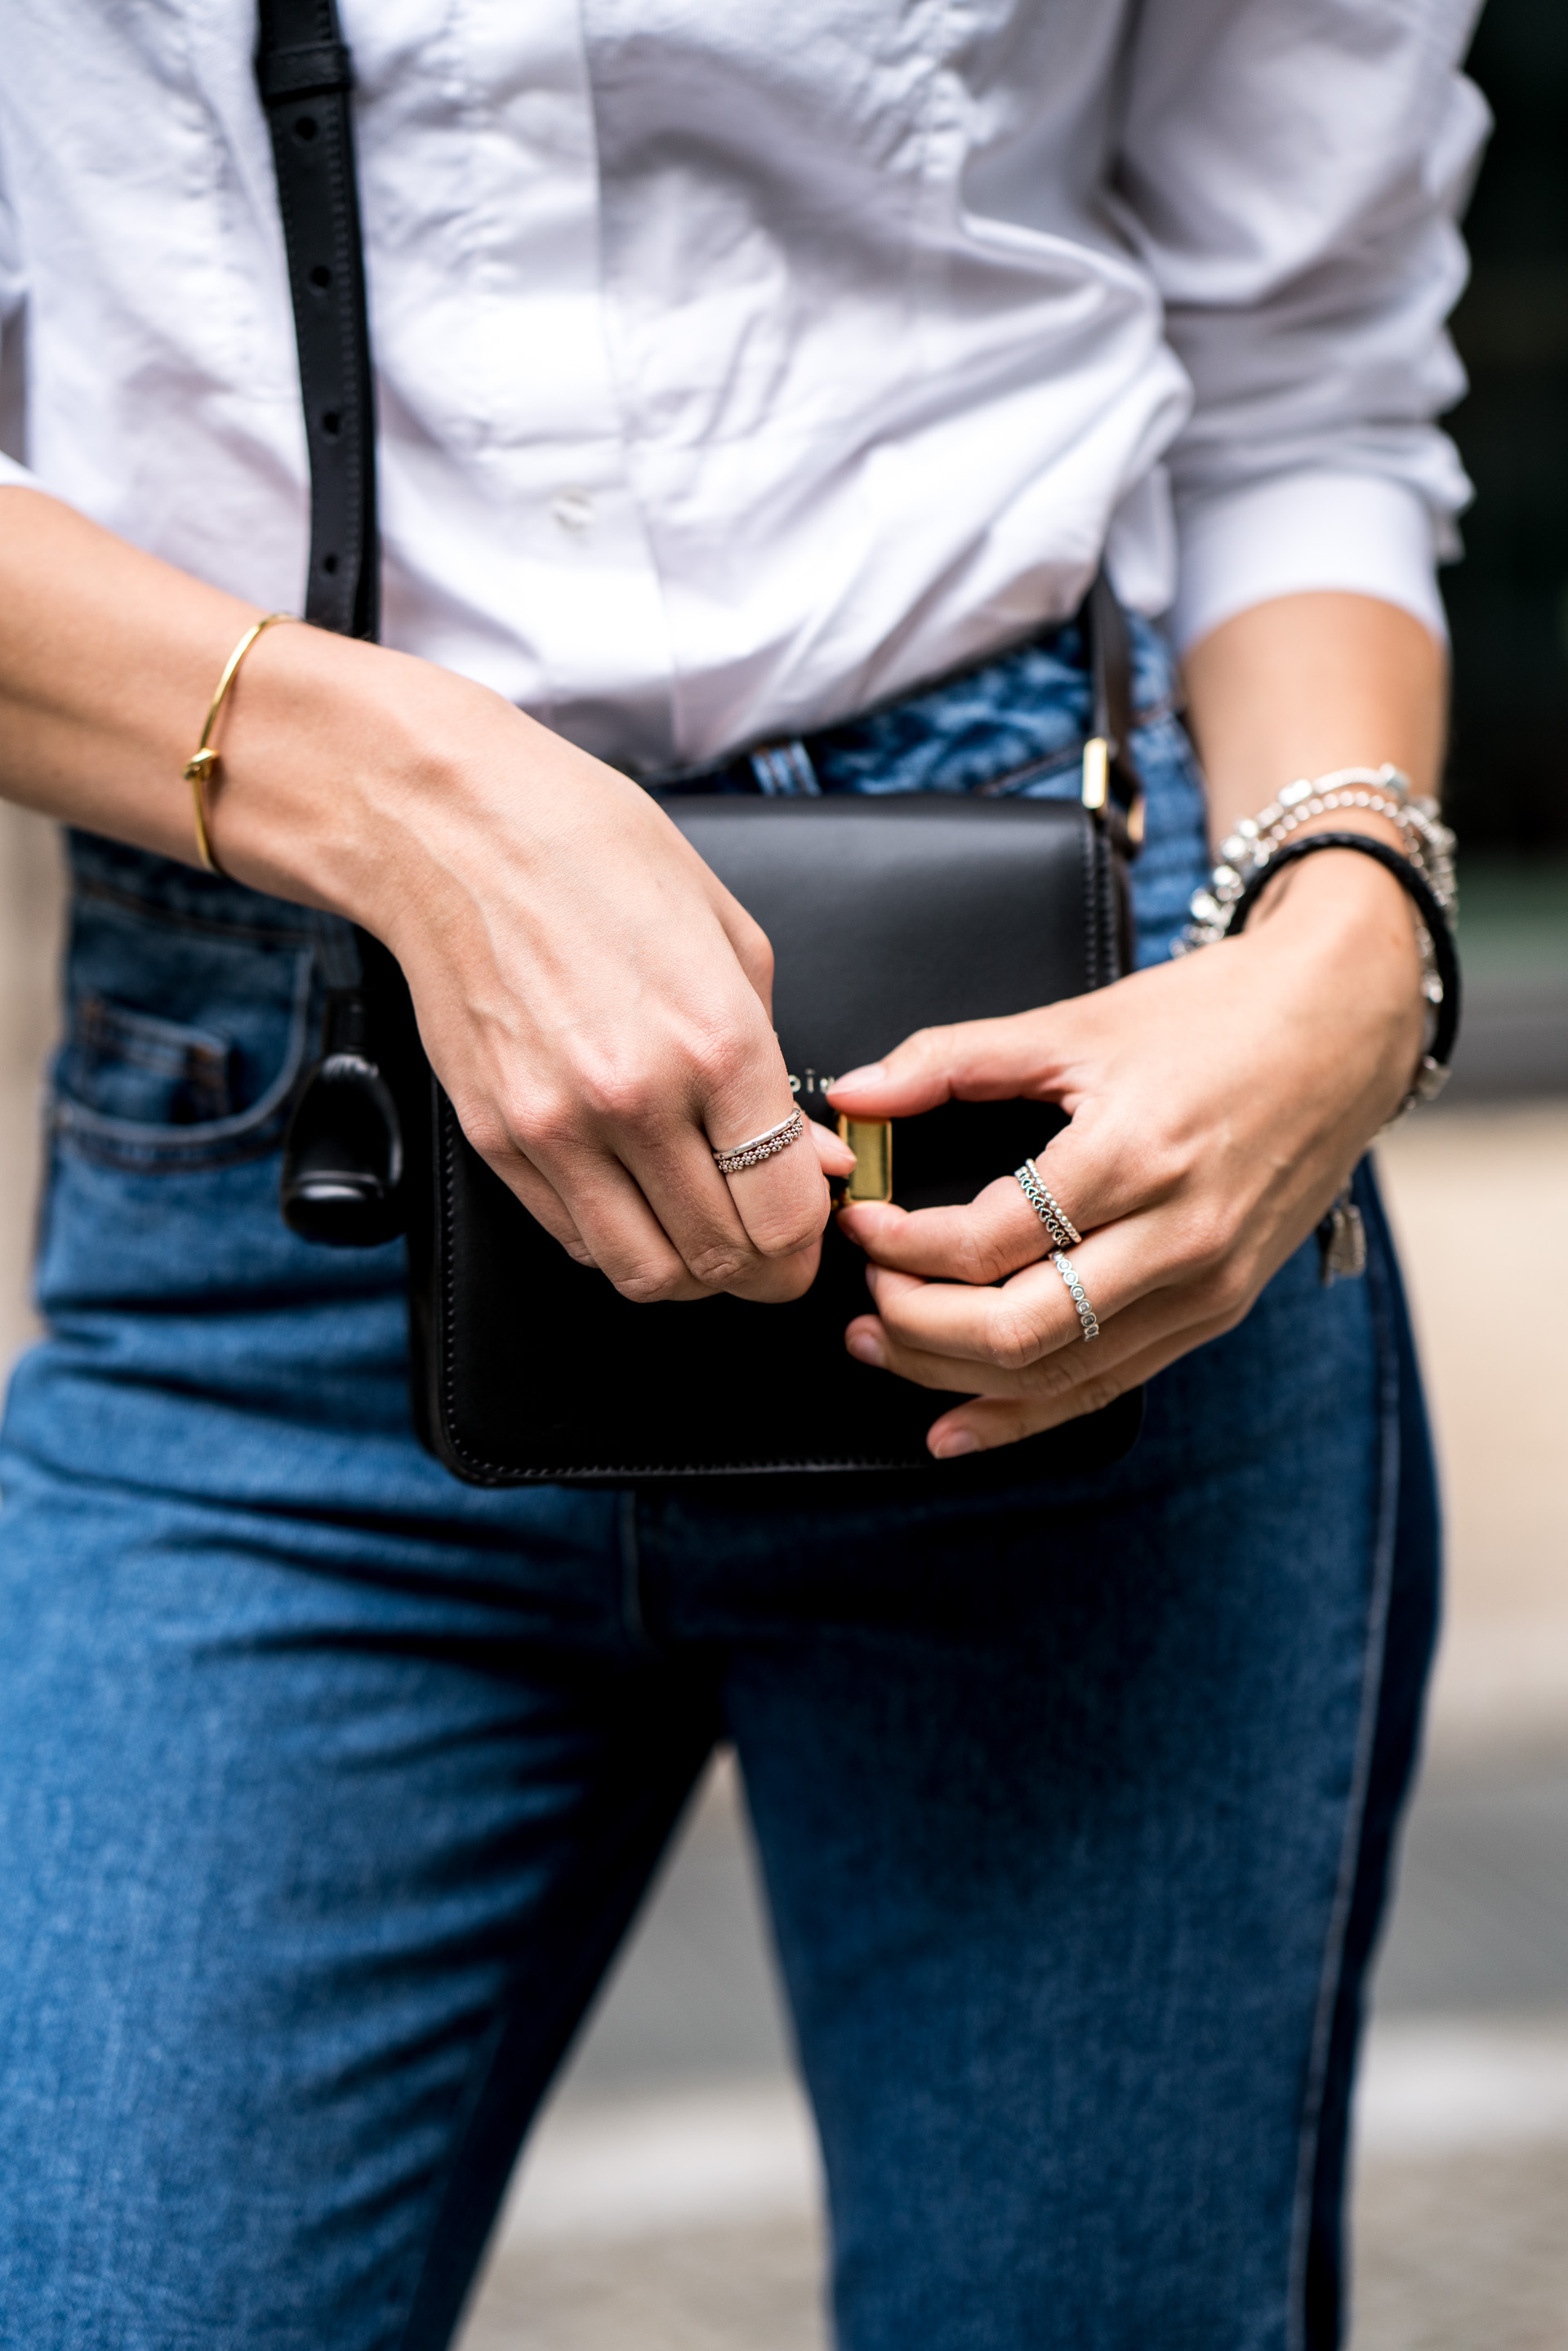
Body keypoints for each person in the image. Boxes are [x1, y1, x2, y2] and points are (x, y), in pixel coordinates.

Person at [0, 3, 1482, 2344]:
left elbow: (1304, 370)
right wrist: (390, 790)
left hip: (1067, 1122)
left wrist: (1347, 938)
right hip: (288, 1170)